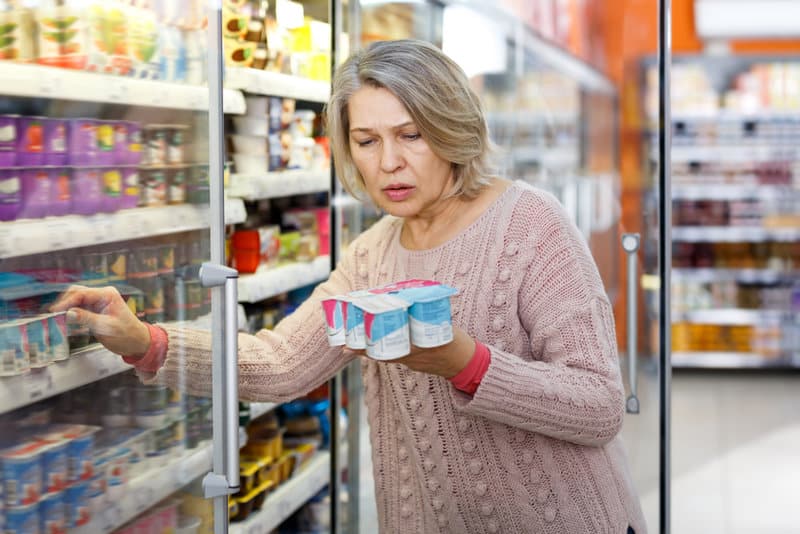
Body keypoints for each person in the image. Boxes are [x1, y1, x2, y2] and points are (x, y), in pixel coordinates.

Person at [54, 39, 646, 533]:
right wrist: (145, 341)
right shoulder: (370, 257)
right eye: (367, 141)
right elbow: (282, 363)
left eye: (411, 134)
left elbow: (597, 405)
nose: (388, 161)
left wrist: (466, 362)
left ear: (451, 128)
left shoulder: (529, 224)